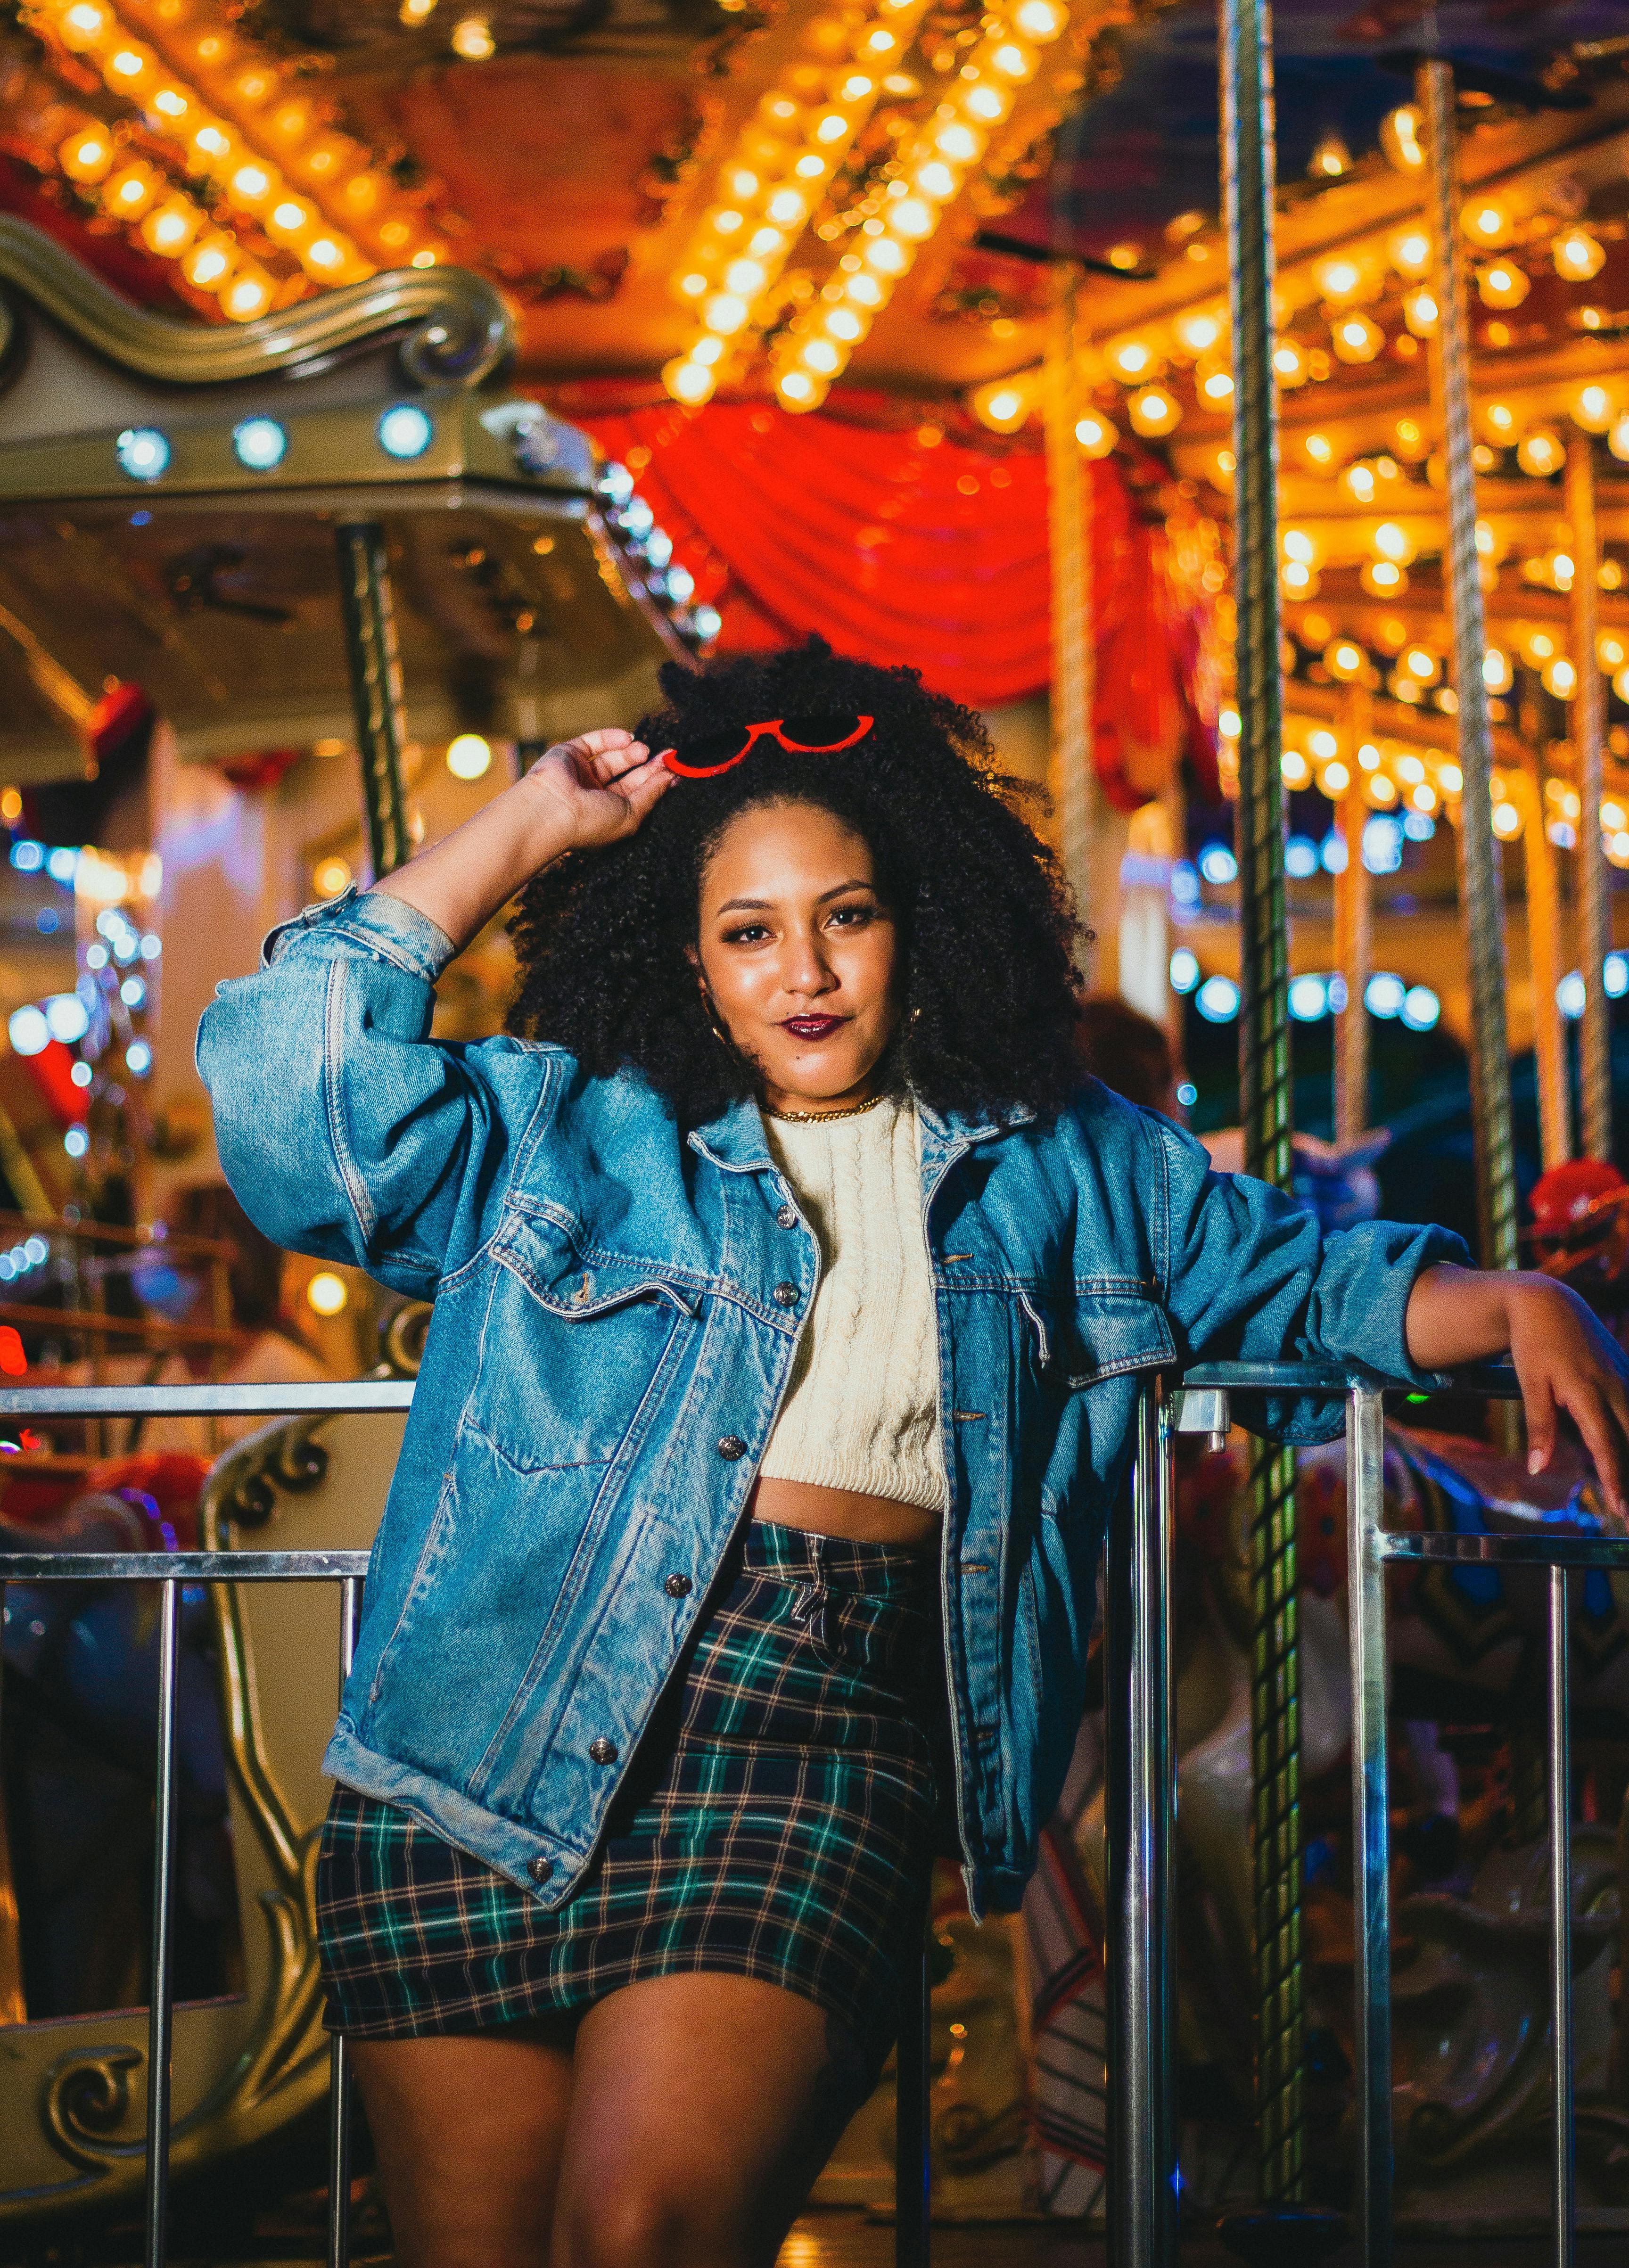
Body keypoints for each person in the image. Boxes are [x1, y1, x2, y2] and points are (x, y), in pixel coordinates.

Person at [198, 641, 1629, 2268]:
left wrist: (1500, 1297)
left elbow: (1291, 1277)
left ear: (922, 921)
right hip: (479, 1745)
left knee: (640, 2234)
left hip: (810, 1731)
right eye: (749, 932)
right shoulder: (564, 1129)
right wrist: (527, 823)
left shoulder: (1066, 1159)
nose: (803, 970)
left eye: (848, 915)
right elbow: (292, 1085)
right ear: (690, 955)